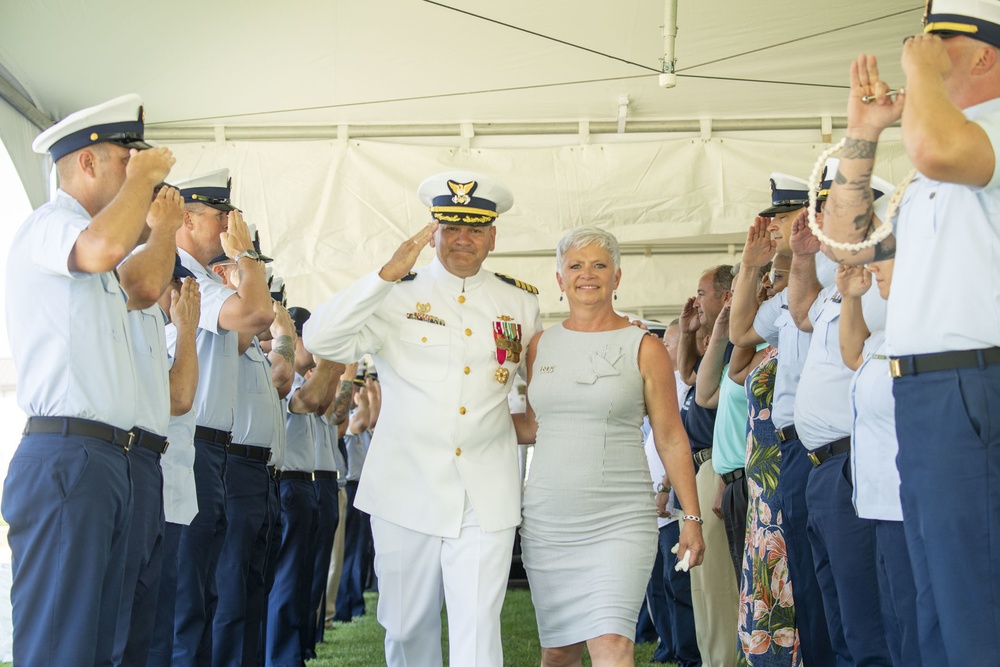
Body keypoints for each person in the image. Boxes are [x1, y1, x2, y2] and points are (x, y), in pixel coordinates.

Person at [820, 5, 1000, 661]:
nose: (917, 49)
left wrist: (918, 75)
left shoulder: (975, 137)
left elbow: (935, 145)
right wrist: (863, 129)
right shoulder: (929, 165)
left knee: (974, 603)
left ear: (985, 55)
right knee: (935, 607)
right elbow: (844, 241)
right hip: (924, 393)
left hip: (972, 383)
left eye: (937, 40)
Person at [303, 171, 542, 667]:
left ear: (493, 237)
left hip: (485, 490)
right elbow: (321, 339)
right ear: (432, 233)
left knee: (478, 631)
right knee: (408, 629)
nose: (462, 239)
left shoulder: (520, 301)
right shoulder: (394, 293)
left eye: (475, 228)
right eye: (451, 226)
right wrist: (383, 275)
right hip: (405, 486)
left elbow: (530, 385)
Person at [2, 93, 174, 666]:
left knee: (102, 645)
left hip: (108, 461)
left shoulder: (105, 242)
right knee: (61, 646)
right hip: (67, 457)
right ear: (88, 163)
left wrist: (163, 228)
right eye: (127, 161)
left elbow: (141, 285)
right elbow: (101, 249)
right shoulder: (52, 226)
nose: (139, 177)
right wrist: (144, 182)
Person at [517, 226, 705, 667]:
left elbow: (671, 436)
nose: (588, 274)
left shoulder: (644, 346)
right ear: (559, 279)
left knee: (612, 643)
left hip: (620, 518)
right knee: (558, 651)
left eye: (599, 265)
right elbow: (531, 425)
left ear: (617, 277)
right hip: (548, 518)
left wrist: (690, 518)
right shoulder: (539, 345)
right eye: (576, 266)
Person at [728, 175, 834, 667]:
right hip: (792, 449)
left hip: (826, 447)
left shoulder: (833, 274)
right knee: (809, 587)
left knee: (828, 584)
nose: (773, 229)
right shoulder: (791, 286)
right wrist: (752, 267)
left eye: (781, 219)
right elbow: (741, 331)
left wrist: (801, 260)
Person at [837, 260, 938, 667]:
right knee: (894, 621)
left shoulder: (926, 330)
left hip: (906, 504)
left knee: (915, 627)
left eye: (885, 256)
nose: (873, 265)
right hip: (878, 504)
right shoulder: (885, 336)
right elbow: (852, 353)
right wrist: (850, 297)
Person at [734, 255, 800, 666]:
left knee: (787, 580)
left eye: (778, 277)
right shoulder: (774, 339)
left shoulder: (799, 322)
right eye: (771, 277)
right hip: (762, 487)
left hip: (782, 474)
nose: (771, 286)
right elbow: (736, 362)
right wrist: (752, 273)